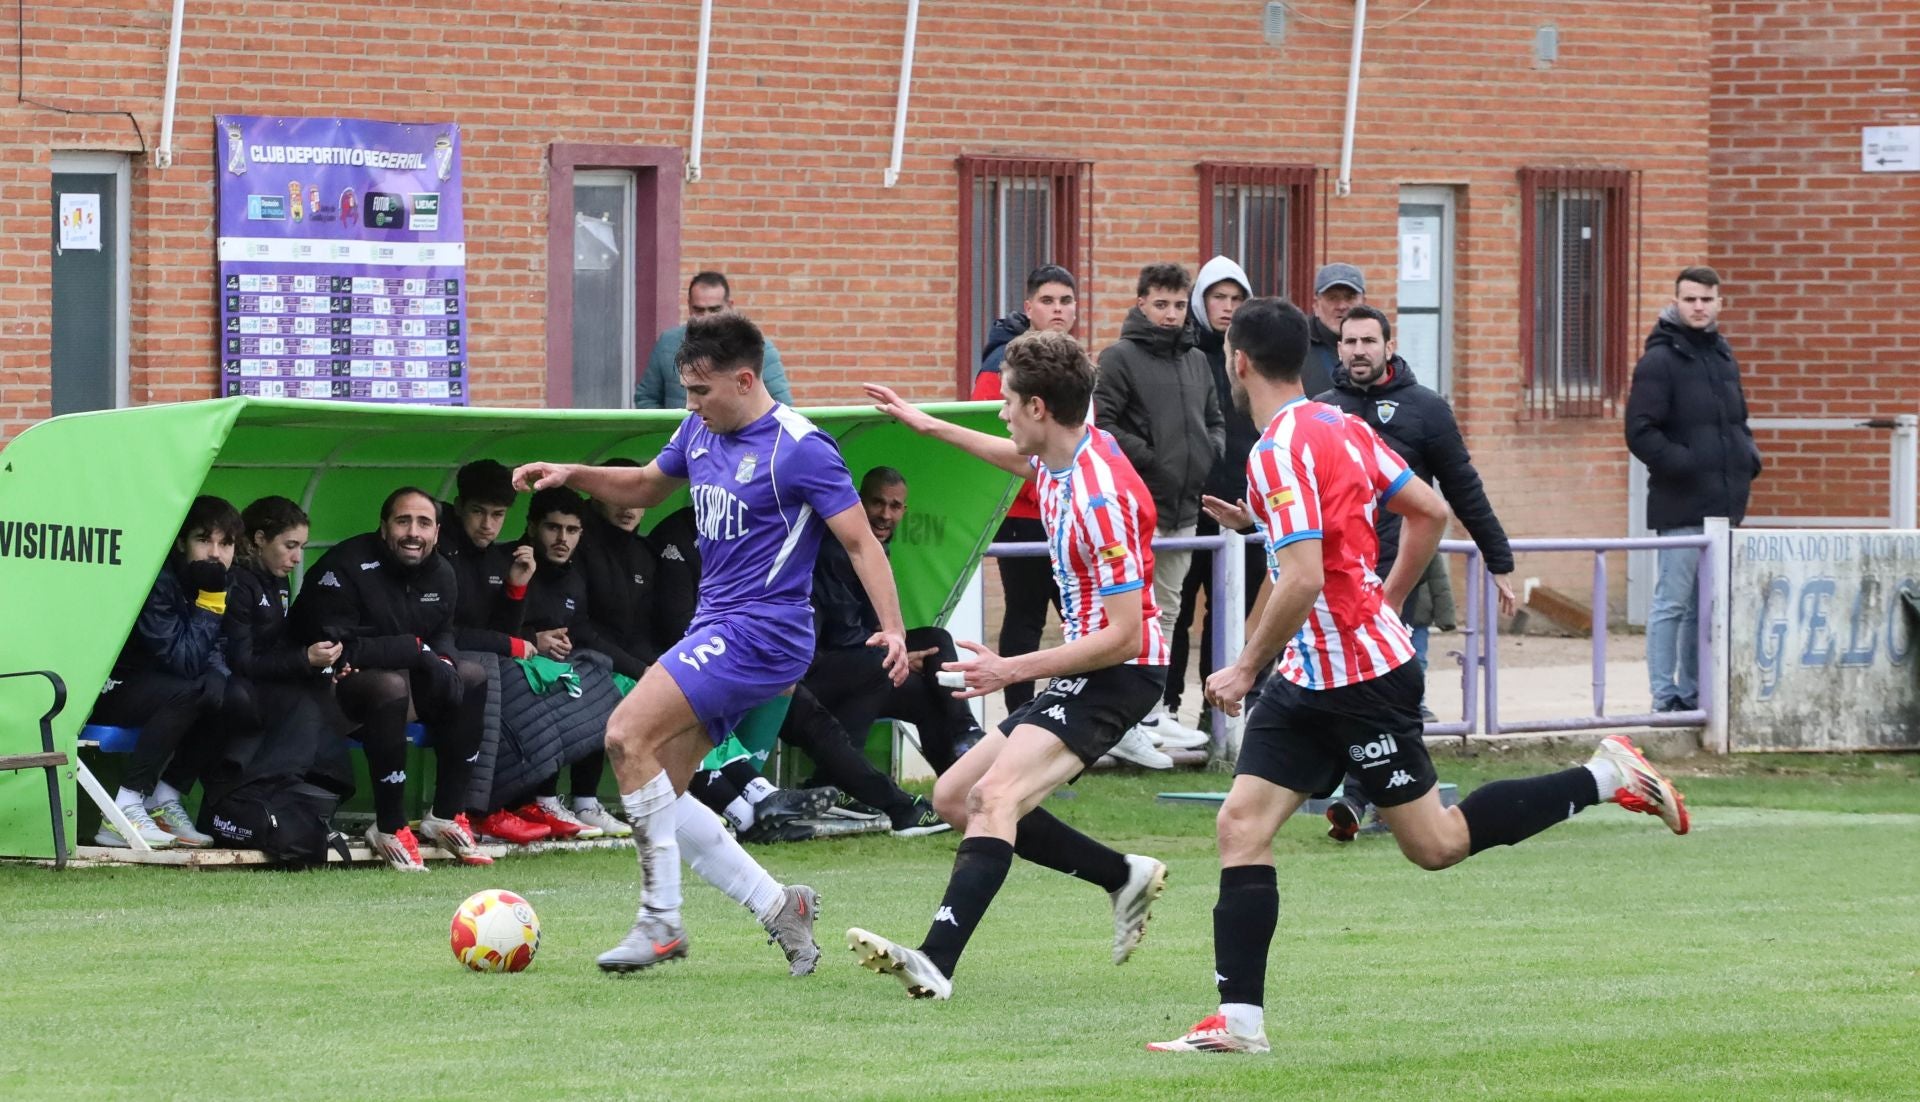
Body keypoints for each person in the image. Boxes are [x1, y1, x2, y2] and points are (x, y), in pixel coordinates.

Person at [1147, 298, 1690, 1055]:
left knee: (1434, 844)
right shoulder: (1342, 425)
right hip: (1313, 676)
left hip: (1363, 679)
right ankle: (1239, 1024)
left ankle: (1605, 772)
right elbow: (1428, 513)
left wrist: (1244, 665)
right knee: (1240, 825)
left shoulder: (1276, 450)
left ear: (1235, 361)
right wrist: (1384, 595)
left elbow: (1302, 579)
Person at [514, 311, 908, 975]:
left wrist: (893, 628)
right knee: (661, 790)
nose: (690, 404)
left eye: (700, 391)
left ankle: (660, 922)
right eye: (687, 391)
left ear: (746, 379)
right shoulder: (699, 429)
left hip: (765, 630)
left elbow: (860, 542)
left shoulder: (801, 448)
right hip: (717, 626)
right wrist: (572, 472)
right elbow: (644, 483)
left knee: (623, 736)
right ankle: (780, 905)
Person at [846, 329, 1172, 1000]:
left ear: (1039, 409)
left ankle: (936, 961)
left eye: (1008, 401)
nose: (999, 411)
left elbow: (1125, 637)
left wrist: (1012, 669)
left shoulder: (1101, 497)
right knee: (953, 798)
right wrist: (924, 425)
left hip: (1122, 672)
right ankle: (1121, 876)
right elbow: (1016, 460)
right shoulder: (1059, 455)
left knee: (994, 798)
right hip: (1086, 666)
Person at [1314, 304, 1518, 840]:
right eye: (1349, 341)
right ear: (1337, 348)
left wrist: (1499, 561)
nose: (1359, 350)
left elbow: (1462, 487)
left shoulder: (1425, 409)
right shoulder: (1323, 410)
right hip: (1339, 584)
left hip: (1404, 578)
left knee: (1399, 695)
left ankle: (1362, 800)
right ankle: (1372, 798)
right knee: (1345, 697)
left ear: (1388, 345)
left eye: (1368, 341)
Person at [289, 487, 493, 871]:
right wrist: (414, 650)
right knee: (389, 685)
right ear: (384, 528)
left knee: (470, 676)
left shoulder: (442, 573)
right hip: (327, 690)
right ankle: (388, 825)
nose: (413, 532)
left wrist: (442, 659)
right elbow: (337, 648)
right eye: (403, 521)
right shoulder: (346, 565)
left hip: (401, 684)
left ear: (436, 532)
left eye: (423, 523)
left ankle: (446, 815)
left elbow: (441, 635)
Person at [778, 465, 979, 835]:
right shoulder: (836, 549)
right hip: (814, 672)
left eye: (895, 506)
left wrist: (902, 651)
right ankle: (835, 787)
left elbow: (871, 630)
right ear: (858, 502)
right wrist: (898, 655)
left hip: (858, 666)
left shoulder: (875, 548)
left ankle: (962, 771)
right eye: (877, 503)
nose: (885, 514)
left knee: (931, 661)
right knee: (881, 663)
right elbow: (843, 636)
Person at [1092, 262, 1224, 768]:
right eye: (1160, 304)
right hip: (1138, 507)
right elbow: (1103, 425)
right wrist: (1154, 460)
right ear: (1142, 302)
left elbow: (1213, 420)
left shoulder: (1196, 360)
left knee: (1169, 612)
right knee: (1133, 614)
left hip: (1185, 506)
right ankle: (1124, 720)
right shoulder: (1119, 358)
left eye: (1177, 305)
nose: (1170, 315)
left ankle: (1150, 714)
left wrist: (1208, 452)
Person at [1626, 266, 1759, 713]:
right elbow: (1640, 431)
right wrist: (1686, 464)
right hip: (1680, 504)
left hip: (1724, 504)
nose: (1698, 307)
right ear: (1676, 302)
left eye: (1706, 299)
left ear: (1720, 302)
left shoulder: (1722, 356)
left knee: (1707, 607)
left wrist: (1747, 459)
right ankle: (1665, 697)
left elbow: (1736, 422)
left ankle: (1696, 694)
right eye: (1690, 299)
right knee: (1673, 603)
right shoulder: (1660, 361)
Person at [86, 495, 244, 848]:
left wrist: (218, 673)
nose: (216, 553)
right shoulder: (158, 580)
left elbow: (216, 647)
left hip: (169, 688)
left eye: (226, 543)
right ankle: (124, 807)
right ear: (180, 543)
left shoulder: (221, 580)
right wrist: (211, 600)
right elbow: (183, 660)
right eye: (203, 540)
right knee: (194, 690)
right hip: (114, 688)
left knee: (235, 697)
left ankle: (164, 799)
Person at [202, 496, 353, 852]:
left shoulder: (277, 581)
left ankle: (308, 803)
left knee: (323, 694)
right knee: (305, 704)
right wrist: (304, 660)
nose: (297, 557)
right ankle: (269, 798)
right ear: (258, 540)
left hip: (266, 686)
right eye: (289, 546)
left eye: (300, 546)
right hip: (232, 690)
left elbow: (278, 647)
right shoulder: (238, 585)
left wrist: (323, 663)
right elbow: (243, 662)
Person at [971, 264, 1078, 712]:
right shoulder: (1002, 364)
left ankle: (1070, 714)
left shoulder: (1071, 361)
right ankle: (1019, 718)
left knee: (1079, 616)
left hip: (1065, 505)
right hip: (1021, 512)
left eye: (1066, 301)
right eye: (1048, 301)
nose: (1058, 310)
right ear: (1029, 307)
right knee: (1026, 615)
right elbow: (989, 436)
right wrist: (1042, 481)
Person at [1168, 255, 1263, 747]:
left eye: (1236, 298)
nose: (1227, 308)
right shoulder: (1183, 353)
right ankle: (1164, 711)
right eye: (1218, 298)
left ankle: (1218, 714)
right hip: (1189, 504)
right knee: (1177, 612)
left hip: (1244, 507)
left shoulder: (1254, 356)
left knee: (1236, 615)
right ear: (1201, 302)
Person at [437, 459, 551, 845]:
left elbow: (498, 632)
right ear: (458, 508)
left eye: (498, 515)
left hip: (470, 662)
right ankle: (472, 811)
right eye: (478, 513)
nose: (488, 525)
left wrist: (516, 588)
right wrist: (508, 644)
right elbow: (447, 631)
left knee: (530, 674)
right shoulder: (440, 551)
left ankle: (521, 800)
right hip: (427, 661)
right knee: (484, 667)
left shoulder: (496, 555)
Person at [635, 271, 794, 409]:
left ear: (729, 305)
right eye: (699, 310)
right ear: (689, 306)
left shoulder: (758, 348)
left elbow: (781, 405)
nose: (706, 316)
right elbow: (646, 398)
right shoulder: (668, 343)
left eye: (714, 309)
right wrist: (672, 432)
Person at [1304, 262, 1365, 398]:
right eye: (1332, 298)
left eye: (1350, 297)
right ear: (1316, 305)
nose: (1342, 306)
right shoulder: (1297, 347)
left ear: (1363, 302)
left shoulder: (1377, 347)